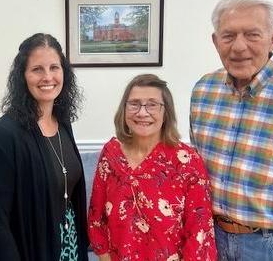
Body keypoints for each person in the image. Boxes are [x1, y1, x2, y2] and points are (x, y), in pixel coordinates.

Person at [190, 0, 273, 260]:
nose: (239, 47)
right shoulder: (203, 90)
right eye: (228, 36)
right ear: (215, 41)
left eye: (252, 35)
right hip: (212, 237)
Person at [0, 33, 88, 260]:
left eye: (54, 68)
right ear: (23, 76)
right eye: (37, 69)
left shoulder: (62, 122)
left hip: (69, 246)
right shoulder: (6, 135)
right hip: (32, 250)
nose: (48, 77)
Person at [88, 74, 217, 261]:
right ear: (124, 110)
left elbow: (200, 232)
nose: (142, 112)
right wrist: (104, 256)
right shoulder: (111, 153)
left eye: (152, 104)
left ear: (166, 112)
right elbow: (96, 216)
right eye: (134, 104)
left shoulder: (187, 161)